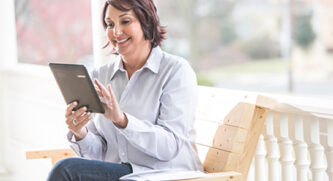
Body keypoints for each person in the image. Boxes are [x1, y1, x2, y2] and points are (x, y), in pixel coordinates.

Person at [47, 0, 202, 180]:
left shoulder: (175, 71)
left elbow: (170, 145)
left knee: (67, 169)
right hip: (122, 175)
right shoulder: (100, 75)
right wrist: (80, 133)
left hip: (165, 174)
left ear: (146, 22)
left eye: (125, 21)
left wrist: (122, 120)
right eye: (110, 24)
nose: (116, 32)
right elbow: (98, 156)